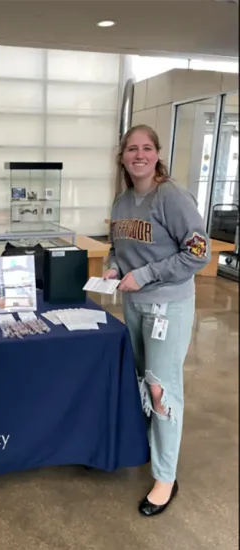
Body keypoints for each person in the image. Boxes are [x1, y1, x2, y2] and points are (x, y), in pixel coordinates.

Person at [104, 124, 211, 517]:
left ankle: (165, 477)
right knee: (140, 384)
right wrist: (114, 267)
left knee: (160, 390)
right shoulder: (121, 202)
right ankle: (150, 449)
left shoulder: (171, 196)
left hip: (169, 305)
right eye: (132, 148)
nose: (139, 155)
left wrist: (146, 275)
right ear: (122, 156)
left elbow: (199, 251)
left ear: (157, 154)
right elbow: (118, 249)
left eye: (147, 148)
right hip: (134, 305)